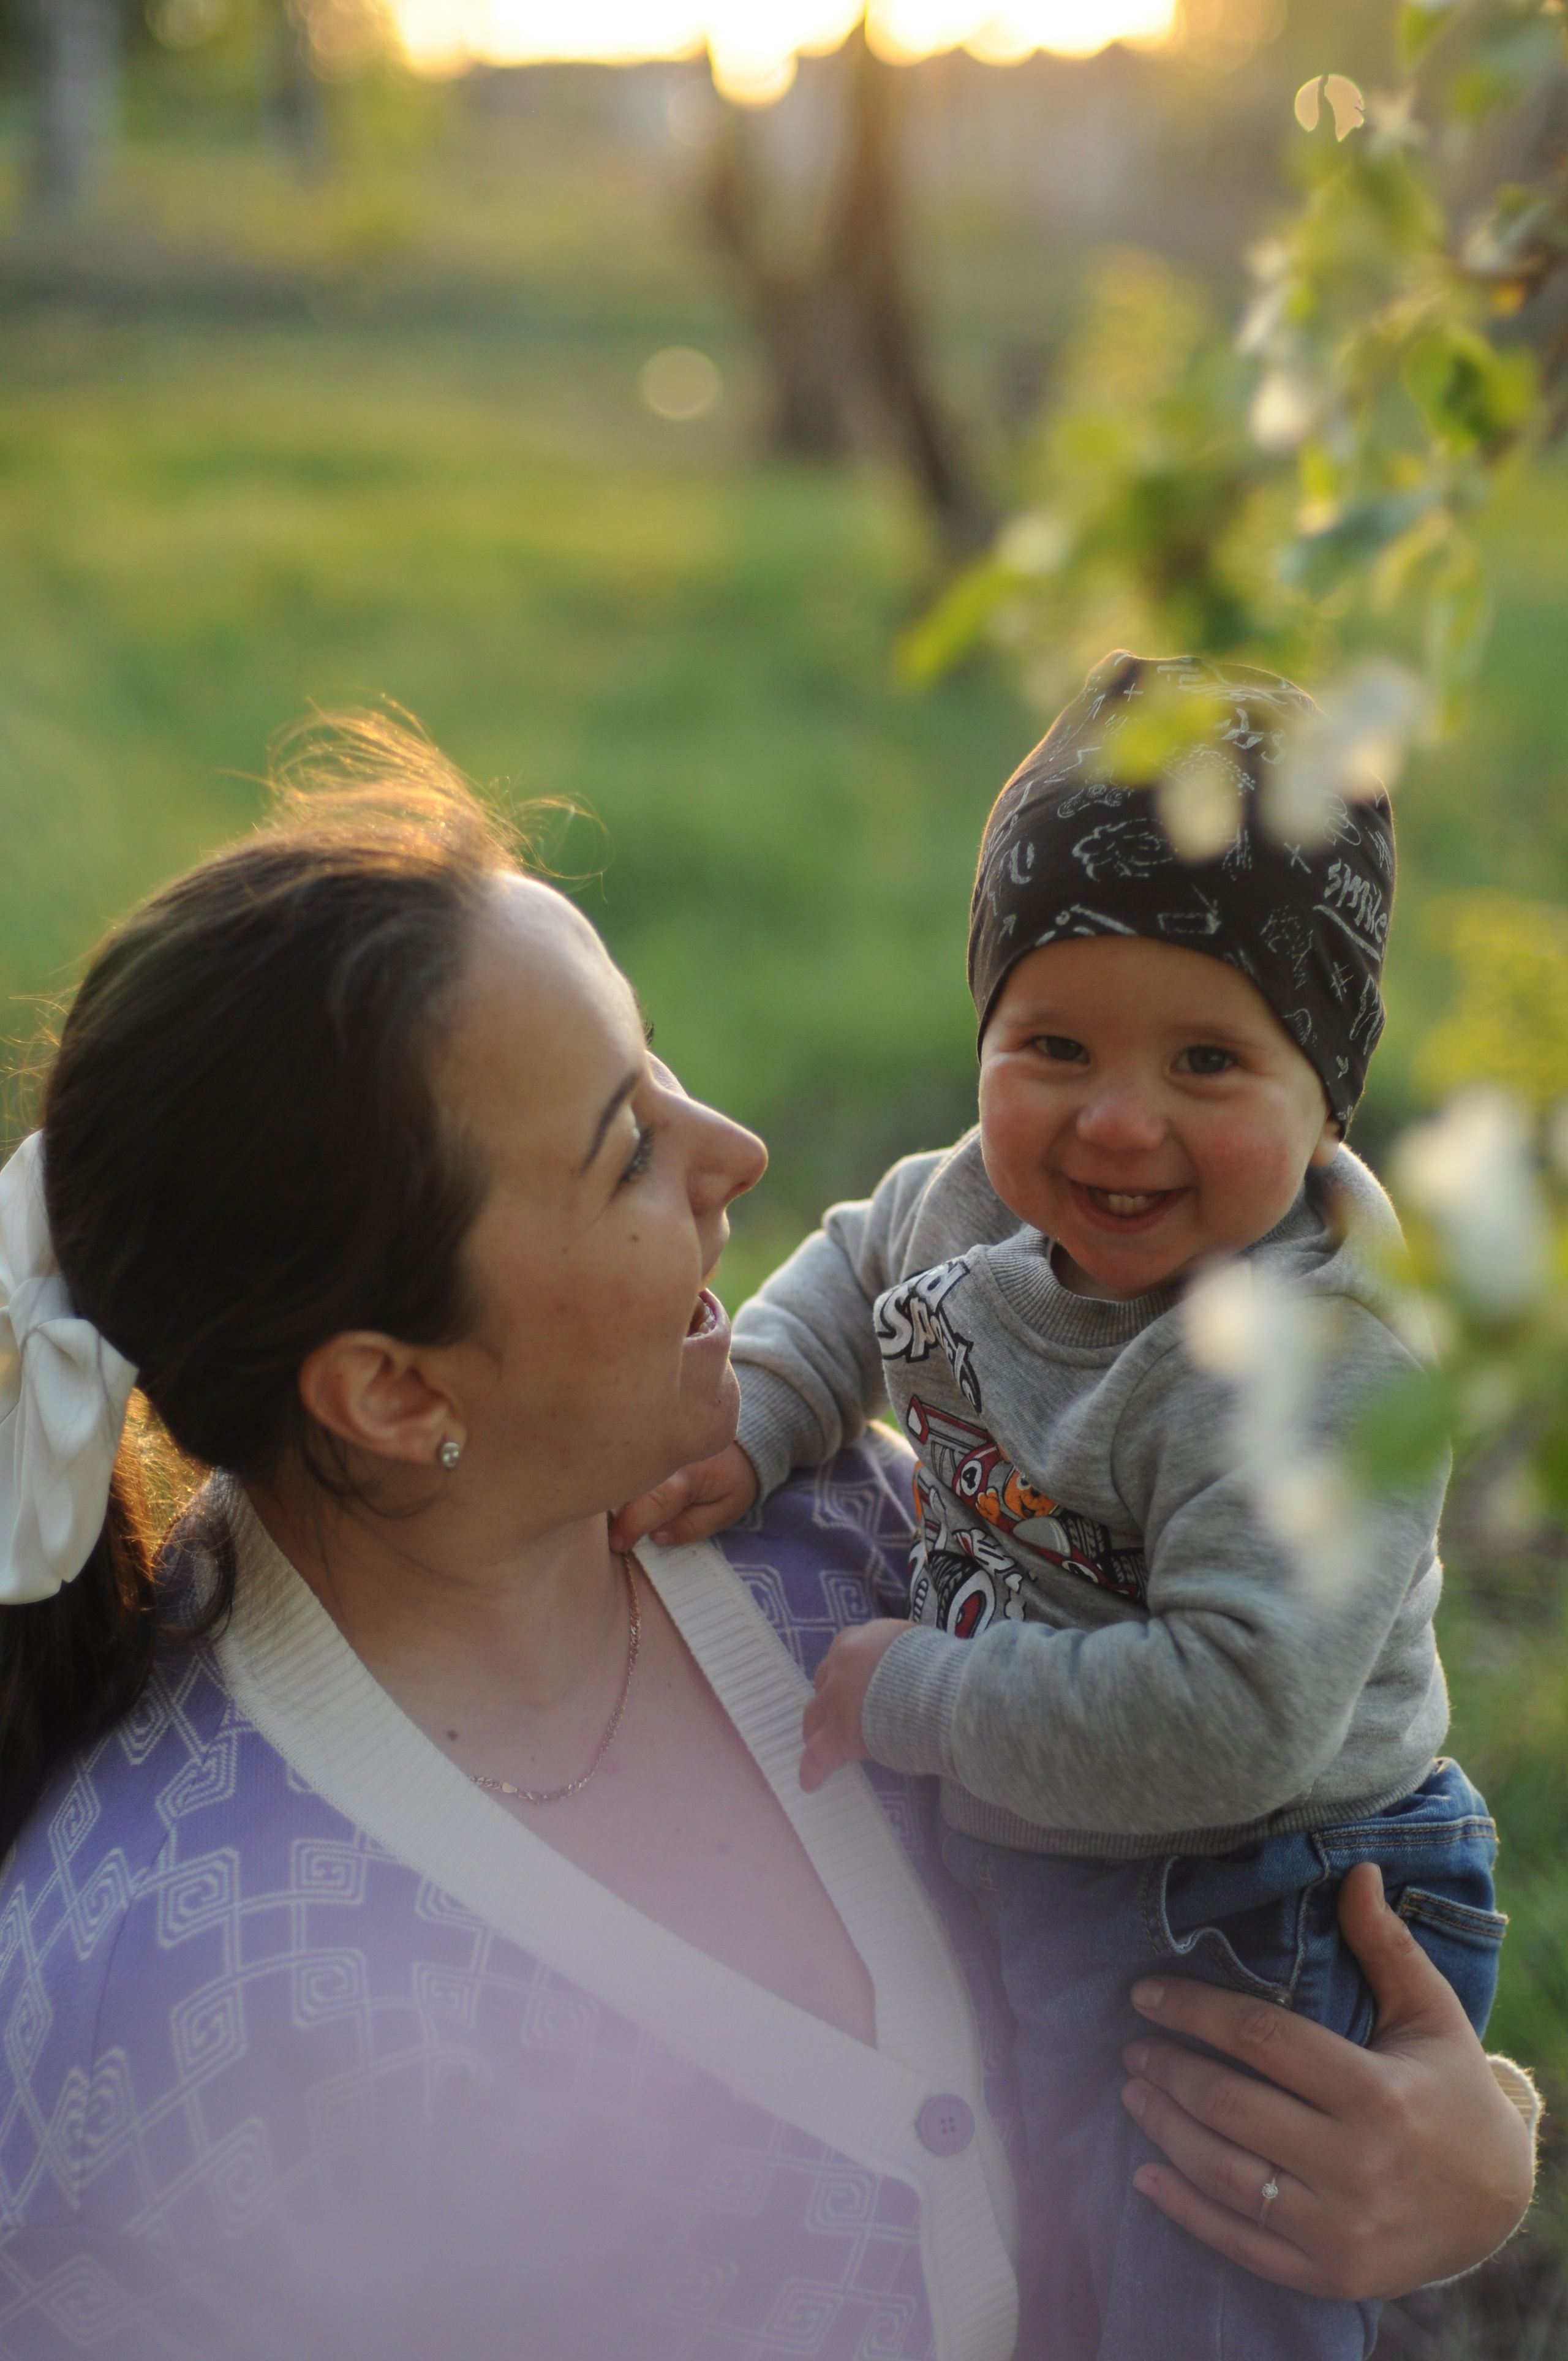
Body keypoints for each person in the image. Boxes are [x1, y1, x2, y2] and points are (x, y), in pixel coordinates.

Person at [0, 718, 1539, 2361]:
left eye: (659, 1059)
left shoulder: (831, 1540)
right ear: (389, 1387)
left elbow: (1248, 1869)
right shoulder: (166, 1996)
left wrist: (1463, 2149)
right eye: (626, 1146)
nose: (734, 1148)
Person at [616, 653, 1509, 2360]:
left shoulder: (1311, 1370)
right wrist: (769, 1417)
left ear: (1328, 1096)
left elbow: (1236, 1715)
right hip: (1085, 1853)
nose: (1116, 1120)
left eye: (1205, 1061)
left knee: (1195, 2283)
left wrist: (928, 1700)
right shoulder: (968, 1200)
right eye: (1053, 1043)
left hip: (1263, 1892)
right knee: (1051, 2276)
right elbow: (856, 1260)